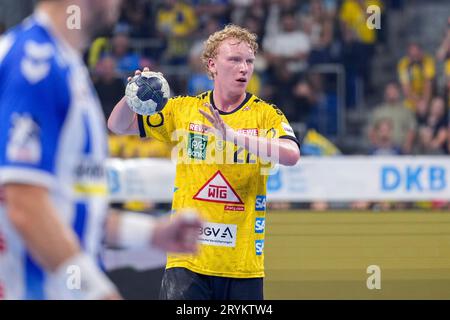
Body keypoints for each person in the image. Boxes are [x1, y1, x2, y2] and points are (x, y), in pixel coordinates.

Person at [0, 0, 201, 300]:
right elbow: (25, 205)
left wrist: (151, 233)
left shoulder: (66, 66)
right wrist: (98, 292)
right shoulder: (36, 64)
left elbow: (70, 207)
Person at [108, 24, 301, 300]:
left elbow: (291, 154)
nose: (244, 68)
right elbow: (117, 125)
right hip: (187, 262)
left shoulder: (265, 115)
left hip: (242, 266)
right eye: (234, 60)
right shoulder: (184, 110)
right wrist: (132, 97)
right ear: (212, 65)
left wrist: (232, 136)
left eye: (249, 61)